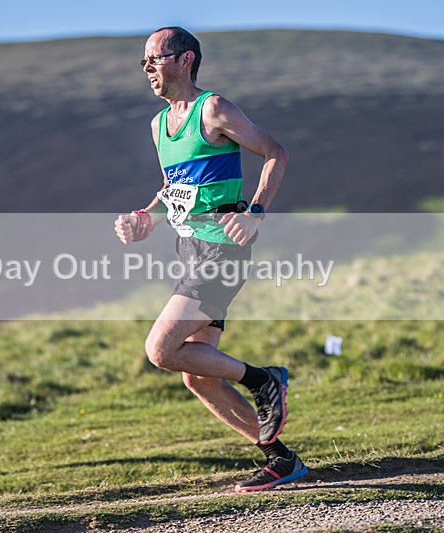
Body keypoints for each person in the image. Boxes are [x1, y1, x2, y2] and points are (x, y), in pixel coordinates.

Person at [115, 27, 308, 492]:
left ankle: (263, 380)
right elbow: (174, 189)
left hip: (223, 249)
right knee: (197, 377)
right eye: (143, 61)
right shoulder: (159, 125)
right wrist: (144, 218)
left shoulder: (214, 109)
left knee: (160, 350)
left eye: (155, 58)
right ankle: (281, 460)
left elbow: (276, 153)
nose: (147, 68)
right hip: (189, 251)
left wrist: (255, 212)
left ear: (185, 60)